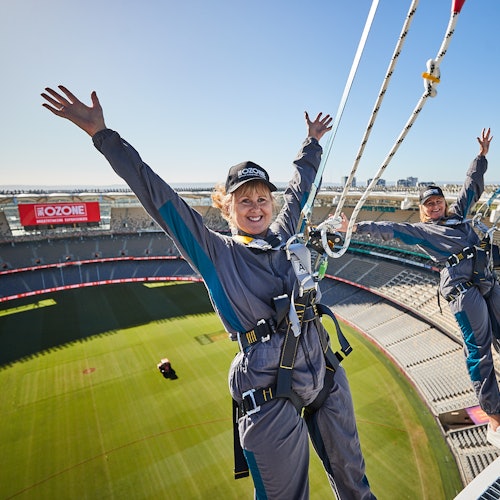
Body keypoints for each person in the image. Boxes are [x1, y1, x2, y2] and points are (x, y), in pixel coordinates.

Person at [41, 85, 375, 499]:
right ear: (226, 209)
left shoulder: (284, 233)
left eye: (262, 198)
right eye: (244, 201)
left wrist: (312, 144)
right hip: (271, 391)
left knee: (356, 484)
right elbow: (158, 198)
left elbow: (300, 187)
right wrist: (103, 136)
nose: (256, 206)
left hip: (322, 370)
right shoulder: (216, 253)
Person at [338, 128, 500, 448]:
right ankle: (495, 416)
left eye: (438, 200)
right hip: (463, 289)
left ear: (444, 202)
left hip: (486, 279)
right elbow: (391, 229)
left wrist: (481, 156)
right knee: (479, 349)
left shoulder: (459, 218)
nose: (434, 206)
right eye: (428, 203)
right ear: (423, 209)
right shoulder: (422, 232)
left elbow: (472, 185)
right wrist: (355, 227)